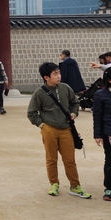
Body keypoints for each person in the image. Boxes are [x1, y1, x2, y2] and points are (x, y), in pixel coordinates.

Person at [27, 62, 91, 198]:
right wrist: (41, 125)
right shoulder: (39, 92)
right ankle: (54, 183)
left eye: (59, 73)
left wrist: (74, 113)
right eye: (55, 74)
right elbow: (32, 112)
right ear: (46, 77)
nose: (59, 76)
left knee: (70, 160)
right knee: (51, 159)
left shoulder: (66, 88)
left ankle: (75, 185)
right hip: (49, 129)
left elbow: (75, 102)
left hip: (66, 129)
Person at [93, 67, 111, 201]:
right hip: (110, 133)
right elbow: (97, 116)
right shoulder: (100, 94)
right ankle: (109, 188)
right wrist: (97, 135)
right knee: (110, 162)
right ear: (109, 80)